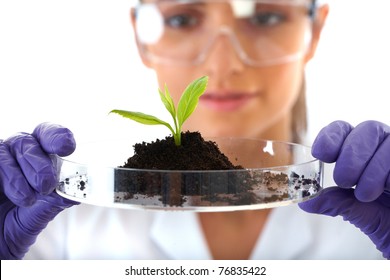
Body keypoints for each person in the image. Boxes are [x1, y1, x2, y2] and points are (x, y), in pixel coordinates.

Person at [0, 0, 389, 259]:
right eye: (182, 19)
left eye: (265, 16)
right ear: (140, 36)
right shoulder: (58, 220)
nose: (222, 66)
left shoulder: (370, 212)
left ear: (315, 31)